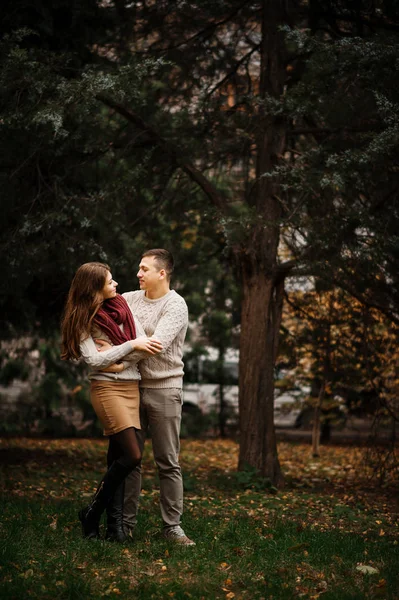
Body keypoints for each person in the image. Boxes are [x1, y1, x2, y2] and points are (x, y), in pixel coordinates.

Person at [97, 249, 195, 546]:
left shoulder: (176, 305)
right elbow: (103, 322)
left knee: (167, 460)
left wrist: (115, 359)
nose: (138, 274)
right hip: (131, 388)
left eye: (144, 269)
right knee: (131, 460)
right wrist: (105, 349)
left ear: (162, 273)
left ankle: (172, 527)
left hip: (165, 388)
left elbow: (157, 346)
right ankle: (124, 526)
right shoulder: (127, 299)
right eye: (138, 269)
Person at [60, 261, 163, 541]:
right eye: (109, 282)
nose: (116, 284)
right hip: (107, 389)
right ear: (95, 289)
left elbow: (147, 345)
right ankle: (92, 513)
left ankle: (114, 527)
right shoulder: (82, 319)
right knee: (132, 455)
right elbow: (94, 359)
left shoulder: (121, 307)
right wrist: (126, 348)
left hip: (130, 386)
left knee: (117, 456)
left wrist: (116, 358)